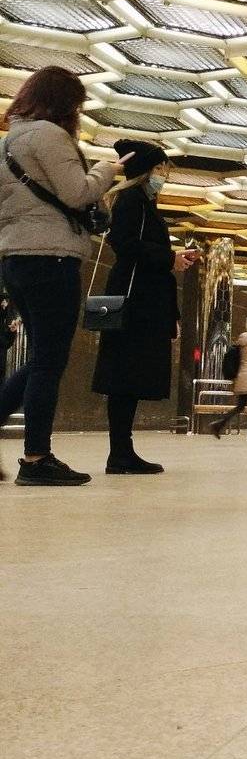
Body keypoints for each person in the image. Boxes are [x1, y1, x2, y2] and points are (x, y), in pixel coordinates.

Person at [0, 67, 124, 486]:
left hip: (15, 259)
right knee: (48, 362)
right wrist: (106, 170)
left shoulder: (6, 142)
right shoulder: (49, 135)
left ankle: (36, 456)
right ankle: (36, 459)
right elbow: (77, 192)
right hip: (51, 258)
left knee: (40, 358)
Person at [92, 141, 200, 475]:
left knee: (129, 376)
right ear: (145, 171)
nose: (163, 175)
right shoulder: (132, 200)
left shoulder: (142, 201)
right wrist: (169, 258)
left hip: (142, 299)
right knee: (125, 376)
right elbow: (124, 244)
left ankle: (122, 451)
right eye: (159, 169)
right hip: (134, 302)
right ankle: (120, 452)